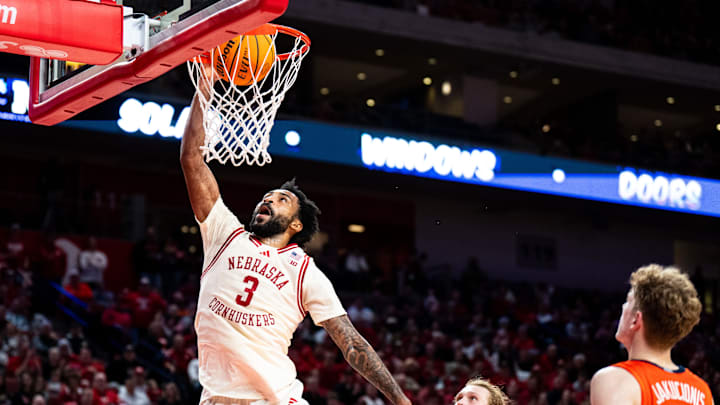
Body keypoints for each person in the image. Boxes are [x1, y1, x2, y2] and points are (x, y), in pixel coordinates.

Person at [180, 88, 411, 405]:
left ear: (296, 225)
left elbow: (351, 344)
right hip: (216, 397)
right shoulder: (224, 233)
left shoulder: (304, 271)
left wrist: (400, 400)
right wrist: (204, 89)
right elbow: (192, 158)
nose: (268, 200)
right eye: (266, 197)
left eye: (281, 200)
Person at [591, 264, 713, 405]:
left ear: (636, 319)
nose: (623, 307)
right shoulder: (703, 392)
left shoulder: (615, 379)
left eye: (628, 301)